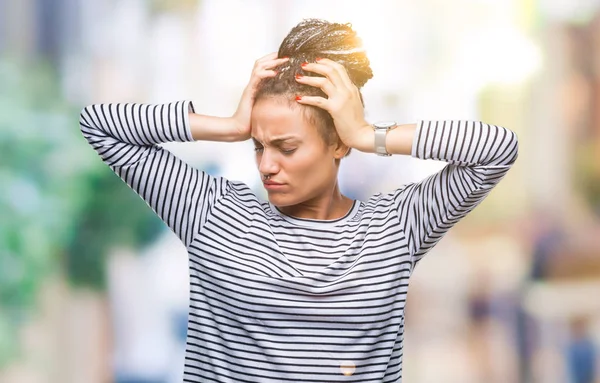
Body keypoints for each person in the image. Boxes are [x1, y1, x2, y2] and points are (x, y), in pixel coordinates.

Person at [79, 18, 518, 383]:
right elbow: (99, 123)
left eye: (286, 148)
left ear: (337, 145)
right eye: (257, 146)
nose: (266, 165)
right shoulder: (212, 212)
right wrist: (229, 125)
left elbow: (495, 149)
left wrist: (370, 134)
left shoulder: (396, 226)